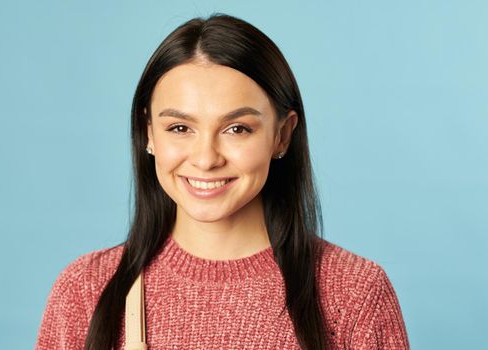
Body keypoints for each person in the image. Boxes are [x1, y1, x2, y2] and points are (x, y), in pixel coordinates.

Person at [35, 13, 410, 350]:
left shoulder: (356, 293)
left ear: (281, 135)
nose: (205, 158)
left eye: (237, 128)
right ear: (148, 133)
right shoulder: (85, 291)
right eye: (179, 127)